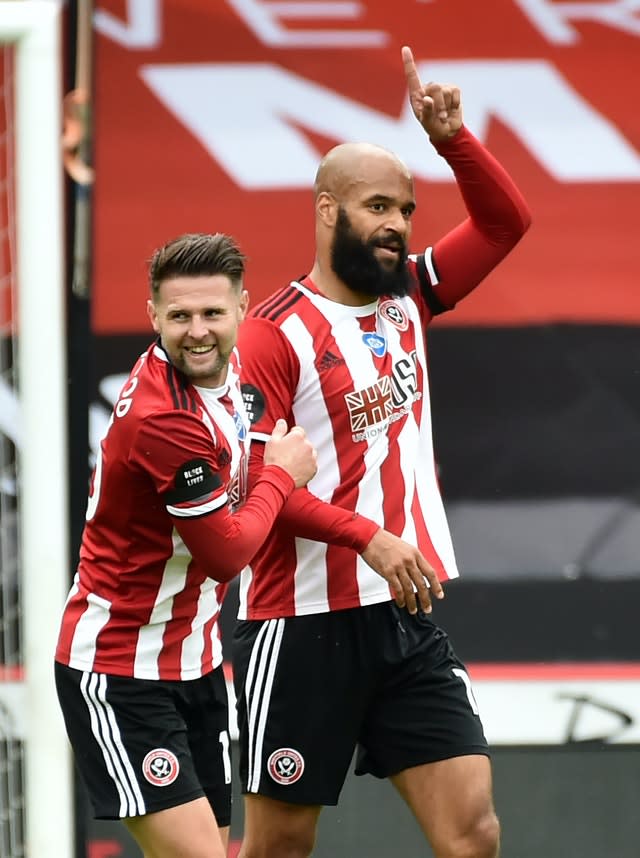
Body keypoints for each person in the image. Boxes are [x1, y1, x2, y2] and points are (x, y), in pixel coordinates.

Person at [232, 46, 532, 858]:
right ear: (328, 210)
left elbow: (506, 224)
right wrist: (369, 536)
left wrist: (455, 143)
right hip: (297, 629)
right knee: (277, 850)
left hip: (404, 619)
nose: (397, 224)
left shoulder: (409, 297)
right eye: (376, 207)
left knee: (473, 835)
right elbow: (256, 487)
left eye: (405, 208)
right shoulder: (270, 334)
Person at [54, 233, 317, 858]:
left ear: (242, 310)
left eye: (212, 314)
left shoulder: (234, 378)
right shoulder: (162, 418)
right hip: (120, 671)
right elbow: (227, 554)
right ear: (153, 317)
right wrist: (282, 474)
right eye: (179, 317)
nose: (197, 332)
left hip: (197, 665)